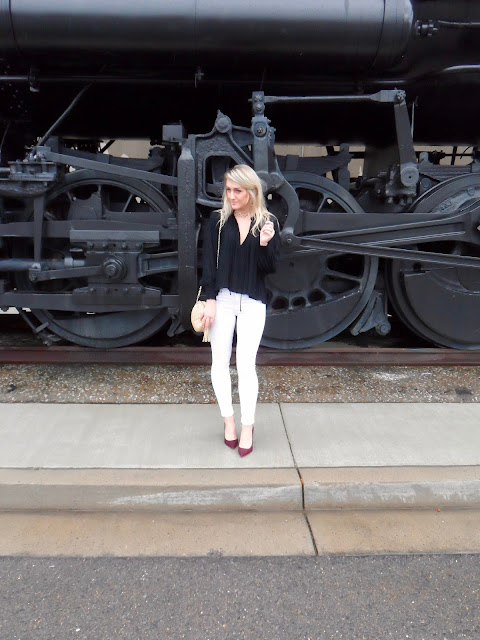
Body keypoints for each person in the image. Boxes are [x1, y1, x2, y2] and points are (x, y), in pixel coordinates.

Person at [201, 164, 280, 457]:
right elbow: (208, 264)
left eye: (238, 191)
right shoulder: (217, 222)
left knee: (246, 366)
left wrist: (264, 243)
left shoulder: (267, 222)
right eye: (229, 190)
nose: (232, 196)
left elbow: (269, 269)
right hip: (222, 300)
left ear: (251, 191)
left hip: (253, 302)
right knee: (219, 364)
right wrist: (210, 299)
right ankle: (229, 422)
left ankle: (248, 425)